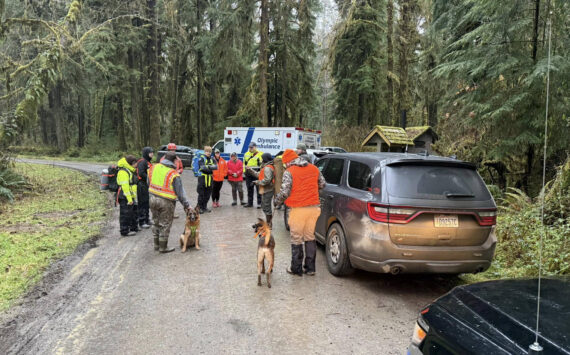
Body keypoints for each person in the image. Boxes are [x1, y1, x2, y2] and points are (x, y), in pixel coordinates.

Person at [274, 149, 326, 276]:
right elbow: (323, 184)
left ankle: (296, 268)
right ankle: (310, 268)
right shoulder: (314, 168)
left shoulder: (289, 171)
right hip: (313, 209)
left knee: (296, 238)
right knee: (310, 236)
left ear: (288, 161)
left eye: (285, 163)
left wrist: (277, 201)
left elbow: (285, 192)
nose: (285, 165)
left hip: (298, 210)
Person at [148, 151, 192, 253]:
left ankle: (156, 245)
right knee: (165, 224)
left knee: (155, 221)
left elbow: (148, 182)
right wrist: (187, 205)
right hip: (166, 201)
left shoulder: (153, 167)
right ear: (174, 161)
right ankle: (163, 247)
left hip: (152, 198)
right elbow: (180, 192)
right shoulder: (173, 173)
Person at [116, 155, 139, 236]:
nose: (136, 165)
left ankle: (133, 227)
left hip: (130, 196)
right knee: (125, 214)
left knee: (132, 213)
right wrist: (129, 199)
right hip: (124, 196)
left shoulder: (129, 170)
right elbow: (125, 187)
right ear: (131, 163)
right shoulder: (123, 172)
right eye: (135, 163)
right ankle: (124, 231)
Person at [254, 153, 275, 227]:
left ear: (265, 159)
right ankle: (268, 222)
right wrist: (250, 170)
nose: (261, 160)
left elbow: (267, 180)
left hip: (268, 189)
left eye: (262, 158)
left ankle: (269, 224)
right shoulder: (266, 167)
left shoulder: (267, 168)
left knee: (267, 206)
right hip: (267, 189)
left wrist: (257, 182)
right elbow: (259, 174)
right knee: (265, 206)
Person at [136, 147, 153, 229]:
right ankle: (142, 221)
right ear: (146, 153)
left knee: (147, 203)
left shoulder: (148, 162)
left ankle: (147, 219)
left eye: (152, 152)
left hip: (147, 185)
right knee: (142, 203)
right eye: (150, 152)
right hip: (142, 185)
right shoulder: (142, 162)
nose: (152, 154)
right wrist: (149, 178)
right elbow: (141, 173)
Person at [197, 146, 217, 213]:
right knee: (201, 194)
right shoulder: (201, 158)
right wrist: (210, 167)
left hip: (210, 178)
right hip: (202, 178)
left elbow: (216, 167)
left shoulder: (212, 158)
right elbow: (202, 168)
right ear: (204, 152)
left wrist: (207, 167)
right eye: (207, 151)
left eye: (209, 152)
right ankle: (199, 208)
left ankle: (204, 207)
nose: (208, 153)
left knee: (208, 194)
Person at [243, 142, 263, 208]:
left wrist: (260, 173)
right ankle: (250, 203)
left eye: (252, 147)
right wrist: (244, 171)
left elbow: (262, 165)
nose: (250, 148)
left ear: (255, 147)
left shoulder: (260, 154)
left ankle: (259, 203)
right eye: (249, 147)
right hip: (248, 173)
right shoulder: (246, 154)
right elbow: (244, 164)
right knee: (249, 188)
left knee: (258, 189)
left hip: (256, 173)